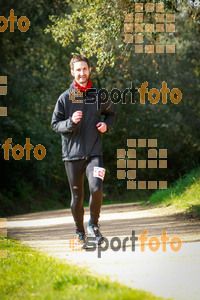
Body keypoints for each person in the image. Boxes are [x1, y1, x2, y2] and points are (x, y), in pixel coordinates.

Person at [51, 55, 116, 247]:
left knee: (97, 188)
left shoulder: (99, 95)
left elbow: (111, 113)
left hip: (94, 153)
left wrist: (106, 125)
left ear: (89, 70)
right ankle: (80, 232)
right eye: (78, 70)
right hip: (71, 156)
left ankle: (93, 225)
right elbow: (55, 124)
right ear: (72, 72)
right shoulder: (64, 98)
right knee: (77, 197)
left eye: (84, 69)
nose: (81, 73)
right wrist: (70, 122)